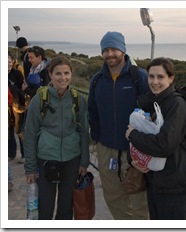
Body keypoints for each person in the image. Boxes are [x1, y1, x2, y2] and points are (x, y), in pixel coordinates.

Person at [88, 31, 150, 220]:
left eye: (114, 49)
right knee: (113, 198)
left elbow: (152, 112)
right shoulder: (97, 80)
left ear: (123, 50)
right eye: (105, 50)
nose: (110, 54)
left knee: (140, 199)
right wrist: (98, 139)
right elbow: (93, 112)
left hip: (135, 150)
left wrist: (145, 146)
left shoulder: (138, 76)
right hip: (106, 149)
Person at [125, 57, 186, 220]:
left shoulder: (177, 105)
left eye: (160, 77)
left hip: (173, 185)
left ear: (171, 78)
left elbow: (164, 145)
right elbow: (147, 135)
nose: (155, 81)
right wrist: (134, 160)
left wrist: (133, 135)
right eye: (151, 76)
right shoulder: (155, 102)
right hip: (155, 181)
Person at [23, 56, 90, 220]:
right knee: (45, 208)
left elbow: (83, 132)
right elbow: (30, 134)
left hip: (72, 160)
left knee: (66, 208)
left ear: (71, 74)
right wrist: (30, 168)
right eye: (58, 73)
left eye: (67, 73)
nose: (63, 77)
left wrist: (84, 162)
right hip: (45, 160)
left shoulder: (77, 99)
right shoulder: (39, 99)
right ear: (50, 75)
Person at [8, 52, 25, 163]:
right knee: (9, 132)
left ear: (13, 62)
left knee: (19, 131)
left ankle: (24, 155)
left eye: (9, 62)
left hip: (17, 106)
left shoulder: (17, 74)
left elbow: (22, 89)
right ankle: (11, 154)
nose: (7, 64)